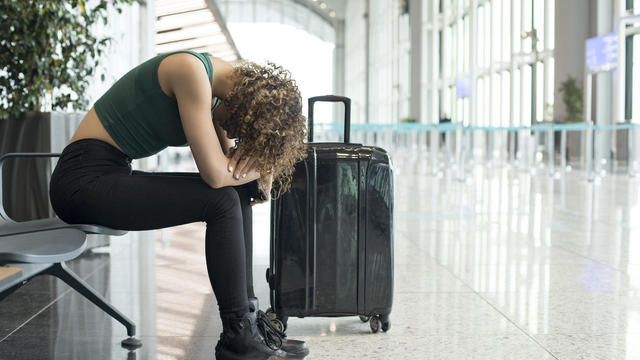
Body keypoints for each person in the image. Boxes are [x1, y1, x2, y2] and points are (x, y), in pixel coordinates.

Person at [48, 50, 308, 360]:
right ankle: (239, 338)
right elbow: (215, 175)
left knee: (235, 194)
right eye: (244, 130)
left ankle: (248, 327)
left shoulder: (218, 90)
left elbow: (230, 172)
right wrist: (265, 166)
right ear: (241, 107)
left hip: (110, 171)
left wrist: (255, 173)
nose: (237, 134)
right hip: (81, 182)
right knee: (221, 197)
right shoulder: (191, 71)